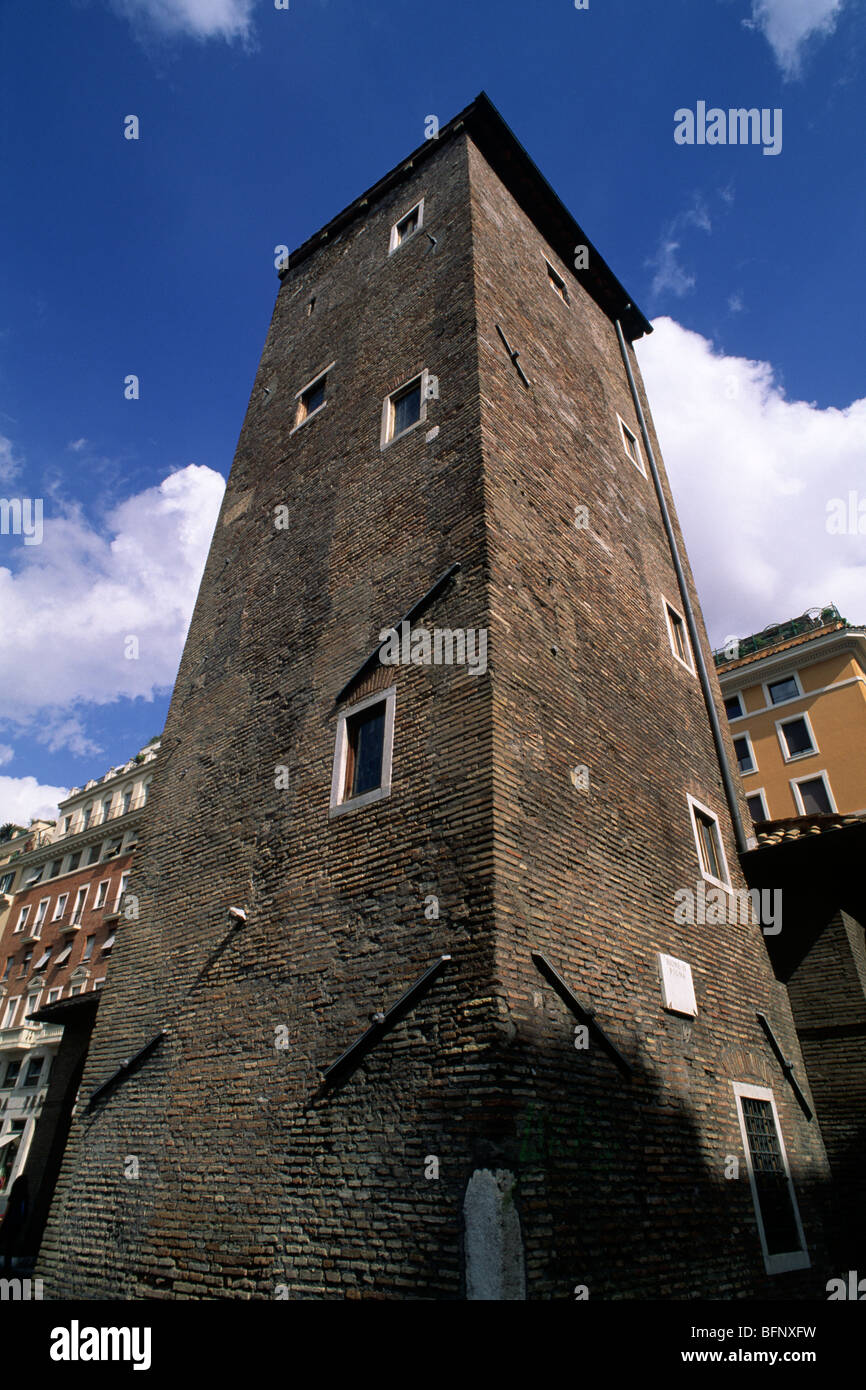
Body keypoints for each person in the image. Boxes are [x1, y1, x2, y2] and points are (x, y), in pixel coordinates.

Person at [0, 1173, 29, 1272]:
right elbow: (25, 1210)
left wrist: (3, 1221)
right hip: (16, 1223)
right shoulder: (25, 1196)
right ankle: (7, 1265)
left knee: (3, 1240)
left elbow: (8, 1207)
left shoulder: (15, 1194)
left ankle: (6, 1264)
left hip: (9, 1221)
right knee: (10, 1244)